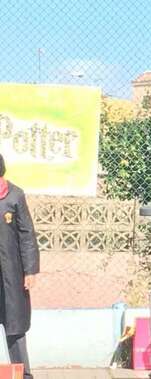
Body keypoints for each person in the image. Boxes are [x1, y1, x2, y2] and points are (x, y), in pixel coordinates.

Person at [0, 154, 39, 379]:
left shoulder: (14, 195)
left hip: (10, 275)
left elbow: (27, 235)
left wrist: (30, 270)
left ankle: (23, 374)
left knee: (15, 326)